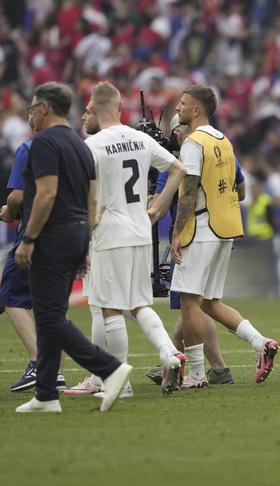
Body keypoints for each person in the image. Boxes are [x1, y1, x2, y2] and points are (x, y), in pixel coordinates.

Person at [14, 82, 131, 413]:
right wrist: (86, 238)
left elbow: (47, 194)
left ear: (44, 109)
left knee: (48, 317)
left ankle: (110, 368)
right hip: (79, 230)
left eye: (32, 108)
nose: (30, 115)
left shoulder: (44, 143)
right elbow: (92, 196)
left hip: (53, 235)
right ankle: (47, 394)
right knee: (53, 312)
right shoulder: (82, 146)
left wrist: (29, 239)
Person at [68, 81, 187, 396]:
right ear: (119, 108)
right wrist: (158, 208)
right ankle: (168, 353)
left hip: (109, 233)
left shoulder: (91, 146)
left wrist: (88, 223)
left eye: (86, 110)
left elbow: (83, 194)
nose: (83, 117)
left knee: (109, 309)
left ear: (95, 109)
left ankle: (119, 383)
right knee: (139, 303)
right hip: (139, 231)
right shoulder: (140, 138)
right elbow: (178, 168)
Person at [171, 85, 279, 388]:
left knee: (189, 302)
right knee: (210, 303)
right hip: (226, 227)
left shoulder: (193, 143)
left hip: (202, 228)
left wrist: (177, 233)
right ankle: (261, 343)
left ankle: (195, 374)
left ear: (196, 110)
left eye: (182, 103)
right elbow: (237, 186)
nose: (177, 108)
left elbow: (188, 192)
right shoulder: (223, 140)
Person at [0, 139, 68, 392]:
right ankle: (57, 371)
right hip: (69, 233)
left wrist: (9, 211)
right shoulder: (76, 146)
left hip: (36, 231)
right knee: (54, 304)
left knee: (11, 296)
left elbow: (17, 196)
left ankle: (38, 362)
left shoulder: (29, 148)